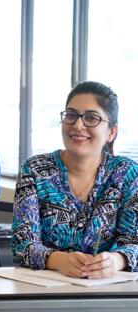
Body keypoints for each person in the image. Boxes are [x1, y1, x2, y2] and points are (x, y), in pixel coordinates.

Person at [12, 81, 138, 278]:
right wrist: (59, 260)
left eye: (91, 118)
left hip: (108, 290)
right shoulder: (35, 170)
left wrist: (117, 260)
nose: (78, 125)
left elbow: (134, 242)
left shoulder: (127, 174)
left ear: (111, 132)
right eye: (71, 115)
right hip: (43, 289)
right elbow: (22, 246)